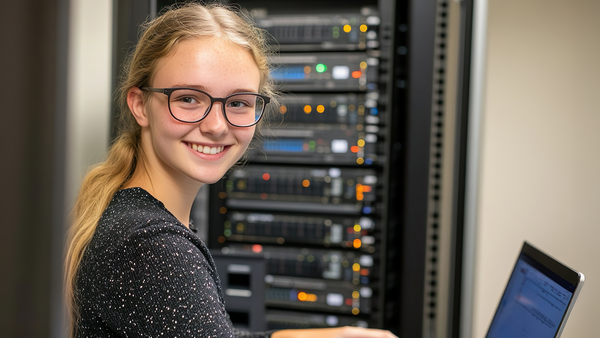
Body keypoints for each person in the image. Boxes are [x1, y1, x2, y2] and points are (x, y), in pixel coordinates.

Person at [65, 3, 397, 338]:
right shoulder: (152, 246)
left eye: (238, 103)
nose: (216, 126)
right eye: (189, 99)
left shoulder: (135, 216)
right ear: (140, 104)